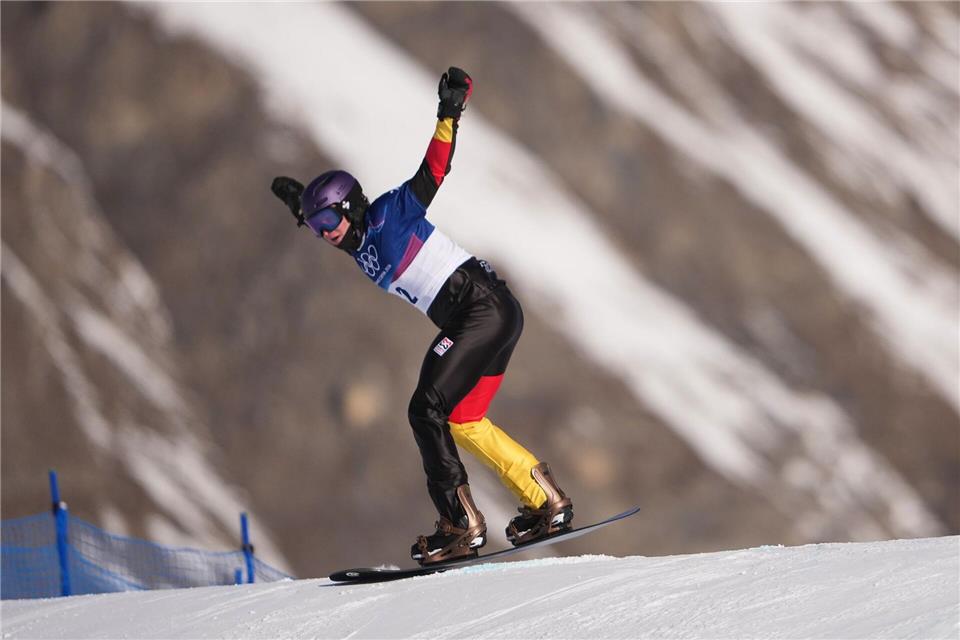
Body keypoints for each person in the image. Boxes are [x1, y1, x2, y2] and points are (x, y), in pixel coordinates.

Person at [270, 67, 573, 565]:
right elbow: (339, 233)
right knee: (464, 419)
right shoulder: (360, 245)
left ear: (350, 207)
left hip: (478, 310)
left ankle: (460, 522)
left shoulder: (392, 212)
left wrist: (449, 112)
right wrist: (300, 204)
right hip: (493, 314)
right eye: (318, 225)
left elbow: (433, 171)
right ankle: (546, 501)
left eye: (329, 220)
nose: (325, 233)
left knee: (424, 408)